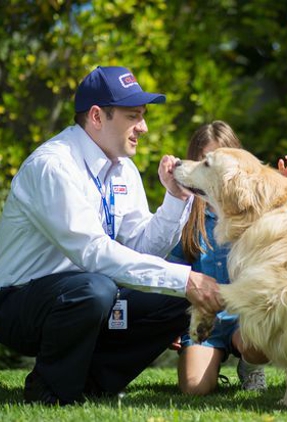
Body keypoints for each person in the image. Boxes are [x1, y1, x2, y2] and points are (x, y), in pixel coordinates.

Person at [0, 66, 223, 405]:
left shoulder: (123, 168)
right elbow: (94, 253)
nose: (143, 127)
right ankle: (51, 388)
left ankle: (91, 382)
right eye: (134, 116)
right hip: (19, 303)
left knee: (175, 299)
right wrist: (186, 279)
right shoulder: (54, 166)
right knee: (97, 288)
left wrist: (175, 200)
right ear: (96, 116)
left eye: (143, 116)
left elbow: (142, 248)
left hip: (84, 295)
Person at [168, 121, 287, 395]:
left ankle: (249, 364)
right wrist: (166, 322)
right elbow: (171, 269)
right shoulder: (182, 213)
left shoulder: (256, 211)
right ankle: (210, 361)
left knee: (257, 347)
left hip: (246, 319)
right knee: (195, 389)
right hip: (205, 317)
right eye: (207, 163)